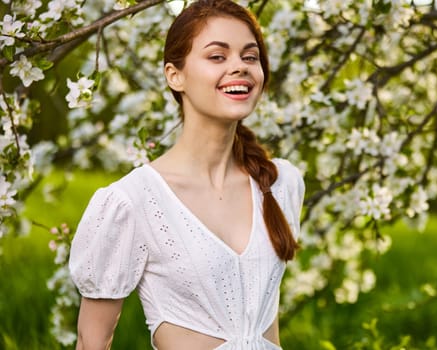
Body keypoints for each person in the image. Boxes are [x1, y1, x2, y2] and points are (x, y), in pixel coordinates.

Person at [68, 0, 305, 349]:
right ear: (174, 75)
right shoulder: (132, 202)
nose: (239, 67)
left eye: (250, 56)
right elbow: (92, 342)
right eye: (217, 56)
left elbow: (266, 328)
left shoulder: (279, 182)